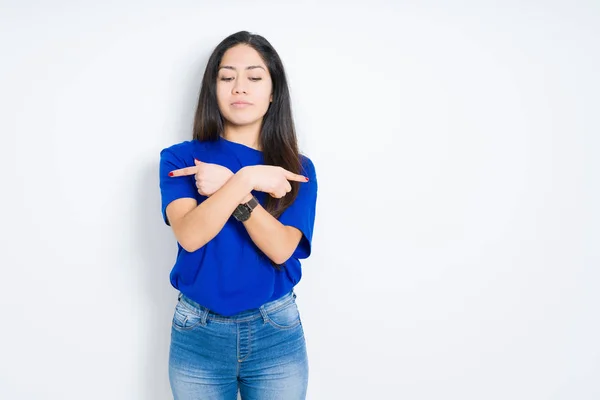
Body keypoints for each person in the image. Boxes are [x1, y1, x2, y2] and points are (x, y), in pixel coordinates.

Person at [158, 30, 318, 400]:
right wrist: (247, 178)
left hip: (275, 331)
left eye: (254, 77)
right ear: (212, 89)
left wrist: (232, 185)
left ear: (273, 90)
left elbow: (281, 249)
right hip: (197, 331)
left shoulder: (296, 168)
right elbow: (191, 235)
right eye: (227, 77)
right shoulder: (180, 159)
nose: (239, 88)